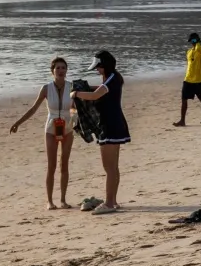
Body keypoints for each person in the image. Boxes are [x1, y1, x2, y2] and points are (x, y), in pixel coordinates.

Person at [10, 58, 75, 209]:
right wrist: (18, 123)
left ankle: (63, 200)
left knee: (64, 165)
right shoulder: (46, 88)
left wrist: (73, 121)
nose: (60, 71)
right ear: (52, 70)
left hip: (67, 128)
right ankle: (50, 201)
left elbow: (75, 108)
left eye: (63, 68)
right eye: (57, 68)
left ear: (66, 70)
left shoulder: (72, 87)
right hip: (51, 128)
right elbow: (33, 109)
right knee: (51, 165)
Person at [72, 51, 129, 213]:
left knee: (109, 168)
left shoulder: (111, 79)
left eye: (98, 67)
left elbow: (95, 95)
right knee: (114, 167)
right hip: (115, 125)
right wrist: (87, 87)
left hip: (109, 126)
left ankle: (109, 203)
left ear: (104, 66)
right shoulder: (113, 78)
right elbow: (100, 90)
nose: (97, 70)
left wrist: (76, 93)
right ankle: (113, 200)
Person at [175, 32, 201, 126]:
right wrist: (195, 45)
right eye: (191, 41)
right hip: (188, 78)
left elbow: (198, 48)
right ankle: (182, 120)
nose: (192, 43)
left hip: (198, 79)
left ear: (198, 40)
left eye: (194, 40)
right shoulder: (189, 52)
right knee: (184, 99)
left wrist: (198, 43)